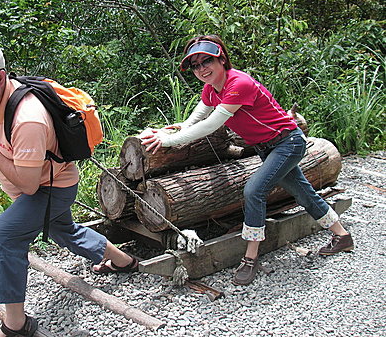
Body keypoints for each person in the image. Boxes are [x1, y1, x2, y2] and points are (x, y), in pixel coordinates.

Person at [0, 38, 138, 337]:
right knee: (64, 230)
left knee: (2, 236)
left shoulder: (28, 119)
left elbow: (29, 186)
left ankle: (16, 326)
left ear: (0, 77)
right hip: (43, 185)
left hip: (50, 189)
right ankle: (124, 262)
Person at [141, 35, 354, 286]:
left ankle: (250, 257)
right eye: (195, 65)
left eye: (206, 60)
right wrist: (170, 131)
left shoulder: (238, 83)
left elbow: (211, 125)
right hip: (268, 148)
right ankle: (342, 236)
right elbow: (196, 118)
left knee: (254, 190)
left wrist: (167, 142)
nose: (201, 69)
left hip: (288, 143)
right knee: (302, 192)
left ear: (221, 59)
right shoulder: (211, 89)